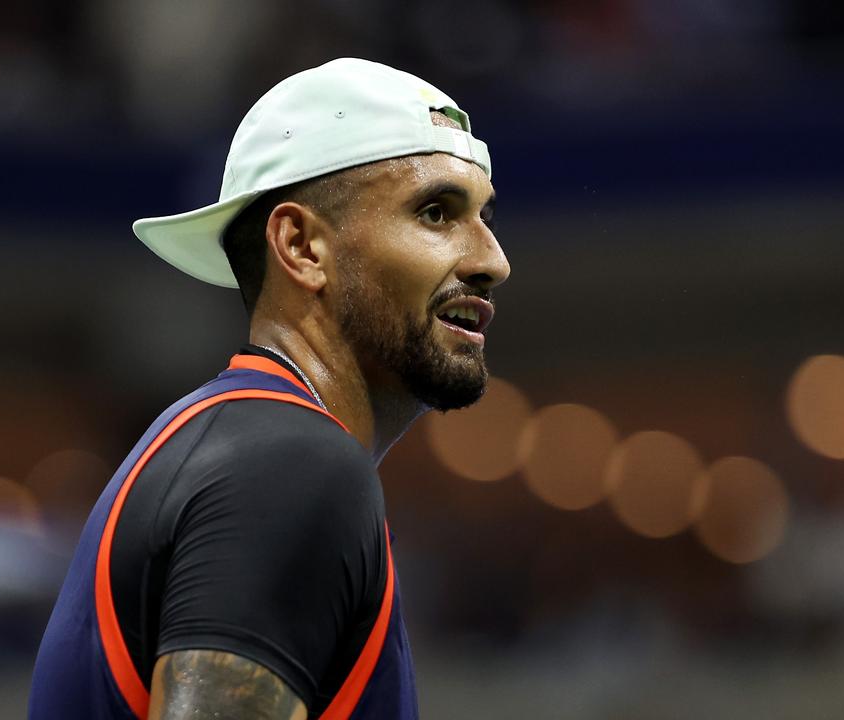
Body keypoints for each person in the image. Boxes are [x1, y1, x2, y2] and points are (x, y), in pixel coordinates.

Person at [29, 57, 510, 720]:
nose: (493, 260)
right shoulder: (289, 466)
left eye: (485, 216)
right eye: (435, 213)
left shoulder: (231, 440)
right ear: (301, 246)